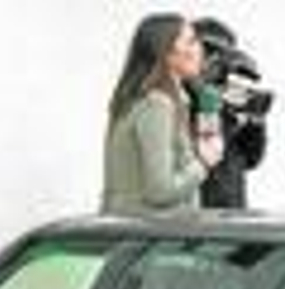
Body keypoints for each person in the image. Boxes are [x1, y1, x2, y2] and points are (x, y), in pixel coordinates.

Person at [101, 14, 222, 215]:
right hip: (148, 237)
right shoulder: (157, 104)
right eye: (191, 42)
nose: (199, 49)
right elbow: (160, 191)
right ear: (166, 53)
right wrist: (203, 163)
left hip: (135, 235)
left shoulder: (144, 99)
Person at [193, 17, 270, 210]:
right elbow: (203, 154)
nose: (215, 60)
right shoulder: (180, 96)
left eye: (221, 54)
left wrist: (256, 121)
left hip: (232, 209)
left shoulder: (229, 94)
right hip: (196, 212)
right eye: (209, 51)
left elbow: (251, 159)